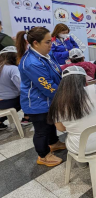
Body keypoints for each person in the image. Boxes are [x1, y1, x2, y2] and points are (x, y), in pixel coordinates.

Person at [16, 27, 66, 167]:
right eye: (48, 42)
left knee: (50, 123)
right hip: (37, 103)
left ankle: (54, 143)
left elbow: (57, 71)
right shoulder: (31, 62)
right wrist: (66, 94)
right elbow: (48, 87)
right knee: (41, 130)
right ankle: (43, 155)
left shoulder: (46, 54)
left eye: (51, 41)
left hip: (48, 100)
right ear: (36, 43)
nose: (51, 45)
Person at [48, 66, 96, 154]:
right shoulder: (95, 89)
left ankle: (83, 164)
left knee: (72, 135)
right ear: (83, 79)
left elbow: (61, 128)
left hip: (81, 147)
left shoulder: (57, 102)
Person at [0, 46, 23, 130]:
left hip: (2, 101)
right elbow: (21, 87)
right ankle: (27, 118)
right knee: (28, 96)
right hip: (9, 102)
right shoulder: (13, 69)